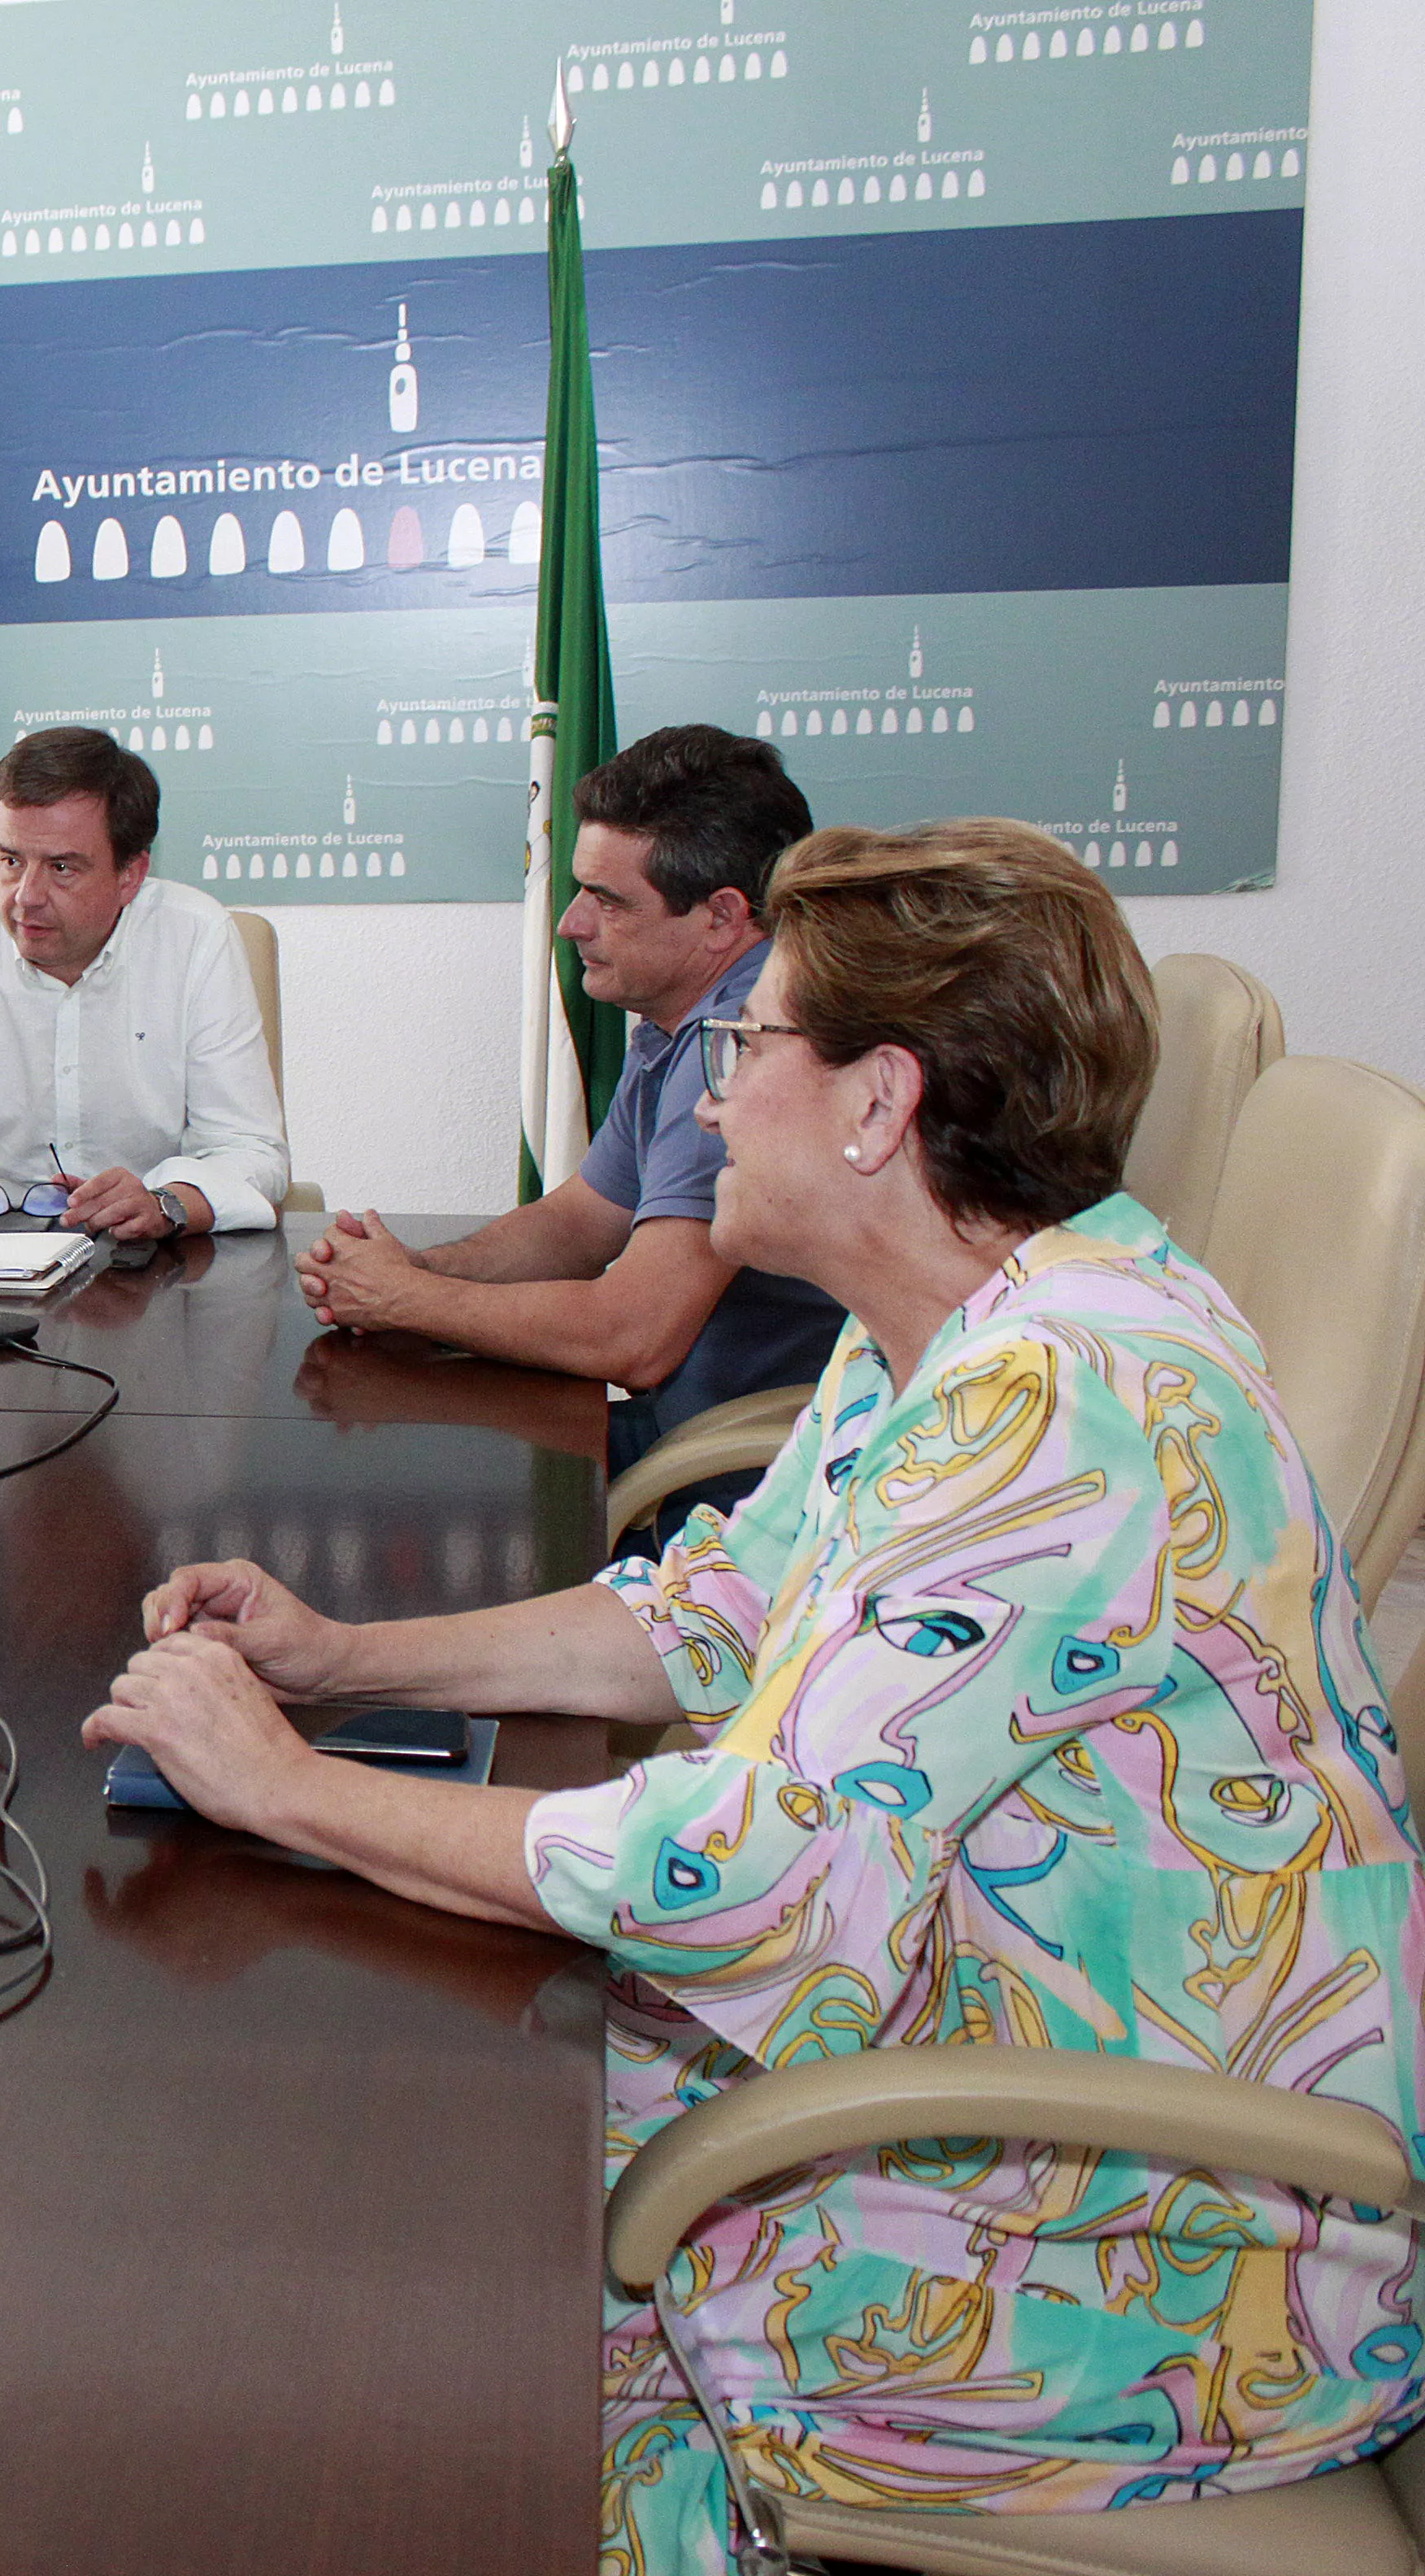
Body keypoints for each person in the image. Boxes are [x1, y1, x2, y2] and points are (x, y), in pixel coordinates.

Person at [84, 820, 1423, 2571]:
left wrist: (284, 1789)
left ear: (880, 1102)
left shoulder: (1062, 1401)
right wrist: (337, 1661)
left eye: (744, 1046)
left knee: (470, 2281)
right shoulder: (955, 1318)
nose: (705, 1097)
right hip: (1020, 2052)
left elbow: (755, 1879)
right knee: (429, 2131)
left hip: (1169, 2245)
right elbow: (709, 1617)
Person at [299, 726, 843, 1478]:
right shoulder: (675, 1018)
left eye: (608, 901)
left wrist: (407, 1300)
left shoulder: (747, 1039)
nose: (570, 923)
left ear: (721, 915)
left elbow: (635, 1335)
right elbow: (584, 1220)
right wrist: (417, 1271)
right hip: (685, 1432)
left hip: (742, 1477)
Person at [0, 724, 288, 1244]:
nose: (26, 896)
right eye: (11, 860)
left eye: (61, 867)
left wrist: (166, 1203)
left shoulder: (195, 936)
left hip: (147, 1265)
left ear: (130, 874)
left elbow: (250, 1151)